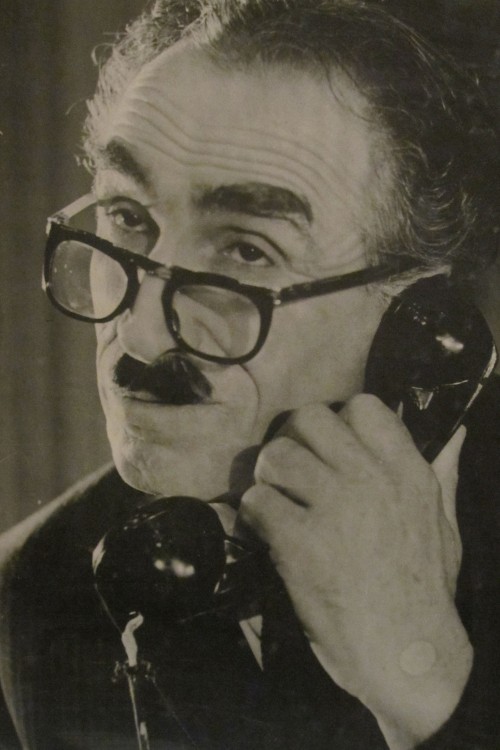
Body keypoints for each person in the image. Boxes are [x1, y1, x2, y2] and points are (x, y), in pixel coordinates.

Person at [0, 0, 499, 748]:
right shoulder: (40, 588)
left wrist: (426, 682)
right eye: (127, 216)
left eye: (246, 252)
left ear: (419, 316)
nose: (138, 333)